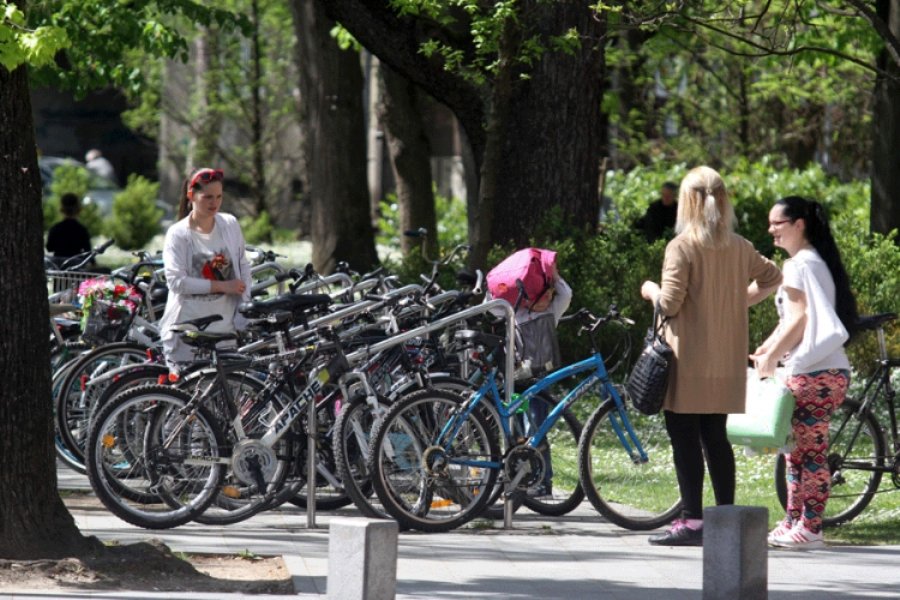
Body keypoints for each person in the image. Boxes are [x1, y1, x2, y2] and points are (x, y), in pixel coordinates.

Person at [639, 166, 782, 546]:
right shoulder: (740, 246)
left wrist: (649, 288)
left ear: (686, 203)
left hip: (688, 362)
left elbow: (669, 304)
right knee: (716, 438)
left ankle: (691, 521)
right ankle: (724, 519)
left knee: (684, 441)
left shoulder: (681, 246)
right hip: (725, 360)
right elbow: (772, 277)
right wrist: (739, 301)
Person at [750, 196, 858, 549]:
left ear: (799, 225)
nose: (771, 230)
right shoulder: (815, 261)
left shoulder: (798, 265)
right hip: (826, 371)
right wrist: (769, 347)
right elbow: (793, 320)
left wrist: (771, 359)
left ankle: (810, 527)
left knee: (808, 454)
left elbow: (798, 319)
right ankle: (794, 521)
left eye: (777, 224)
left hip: (815, 374)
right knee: (795, 452)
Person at [157, 168, 251, 372]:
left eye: (218, 197)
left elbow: (243, 266)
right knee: (187, 395)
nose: (214, 203)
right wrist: (223, 286)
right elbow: (176, 281)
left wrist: (245, 306)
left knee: (226, 397)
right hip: (187, 332)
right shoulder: (178, 233)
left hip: (225, 330)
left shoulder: (230, 224)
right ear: (191, 196)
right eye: (207, 197)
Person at [46, 192, 91, 265]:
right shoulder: (81, 230)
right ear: (78, 208)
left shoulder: (55, 228)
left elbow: (49, 248)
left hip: (58, 267)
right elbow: (88, 251)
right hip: (76, 267)